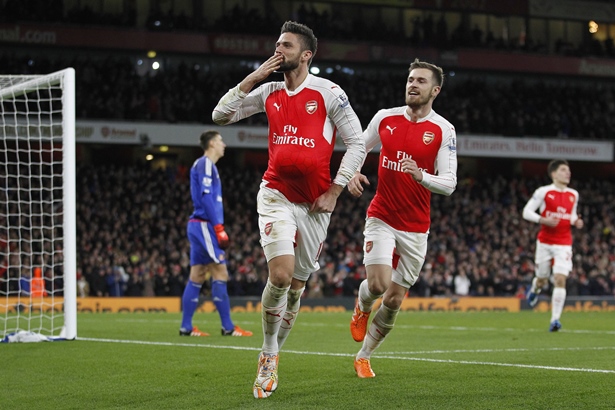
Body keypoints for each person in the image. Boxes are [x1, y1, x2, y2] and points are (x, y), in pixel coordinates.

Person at [212, 21, 365, 398]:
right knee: (280, 277)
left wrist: (335, 191)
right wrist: (252, 77)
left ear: (306, 54)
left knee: (297, 288)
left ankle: (276, 346)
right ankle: (268, 354)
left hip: (315, 205)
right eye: (277, 45)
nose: (278, 51)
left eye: (286, 46)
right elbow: (220, 115)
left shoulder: (329, 93)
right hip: (275, 194)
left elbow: (357, 143)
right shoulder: (268, 91)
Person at [347, 58, 457, 378]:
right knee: (379, 283)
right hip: (382, 214)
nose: (413, 84)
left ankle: (364, 356)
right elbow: (358, 147)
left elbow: (449, 184)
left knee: (394, 301)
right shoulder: (386, 118)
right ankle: (362, 306)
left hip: (416, 227)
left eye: (421, 81)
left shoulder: (443, 130)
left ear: (434, 90)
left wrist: (421, 176)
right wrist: (352, 172)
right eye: (410, 79)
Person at [179, 130, 253, 338]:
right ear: (211, 143)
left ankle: (186, 327)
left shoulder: (206, 166)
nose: (224, 145)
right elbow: (205, 196)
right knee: (220, 272)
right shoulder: (205, 164)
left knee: (197, 275)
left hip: (199, 225)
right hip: (205, 225)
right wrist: (218, 227)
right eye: (221, 141)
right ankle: (228, 327)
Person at [522, 159, 583, 332]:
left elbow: (570, 215)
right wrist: (542, 219)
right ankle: (535, 289)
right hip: (545, 242)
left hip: (564, 243)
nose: (568, 173)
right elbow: (526, 212)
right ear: (554, 174)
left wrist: (575, 221)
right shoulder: (544, 192)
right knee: (542, 278)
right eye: (564, 170)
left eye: (568, 170)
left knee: (560, 278)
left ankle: (555, 320)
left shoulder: (573, 194)